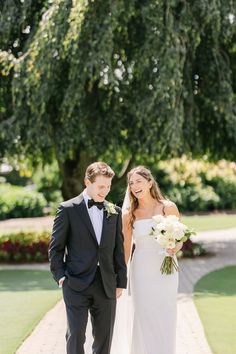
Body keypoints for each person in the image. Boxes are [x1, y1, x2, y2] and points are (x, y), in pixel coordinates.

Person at [48, 161, 127, 354]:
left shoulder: (114, 212)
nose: (105, 191)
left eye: (108, 187)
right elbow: (56, 248)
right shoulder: (67, 209)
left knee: (104, 338)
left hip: (106, 284)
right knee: (75, 335)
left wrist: (121, 282)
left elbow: (118, 250)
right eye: (101, 186)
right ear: (87, 182)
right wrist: (60, 276)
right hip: (75, 283)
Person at [121, 165, 183, 354]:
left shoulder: (167, 207)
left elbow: (180, 238)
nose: (134, 186)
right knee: (143, 314)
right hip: (141, 270)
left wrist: (174, 248)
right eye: (131, 183)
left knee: (165, 313)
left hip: (166, 268)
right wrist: (121, 277)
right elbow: (126, 249)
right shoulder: (129, 214)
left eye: (139, 181)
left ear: (149, 183)